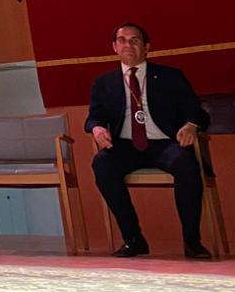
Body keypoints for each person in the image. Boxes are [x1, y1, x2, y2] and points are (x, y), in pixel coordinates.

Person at [86, 23, 212, 259]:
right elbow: (94, 117)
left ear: (147, 47)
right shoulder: (103, 83)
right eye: (122, 40)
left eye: (134, 40)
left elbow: (197, 112)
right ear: (114, 47)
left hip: (164, 143)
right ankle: (133, 239)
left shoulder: (170, 77)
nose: (128, 45)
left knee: (186, 163)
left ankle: (192, 241)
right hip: (125, 145)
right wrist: (98, 129)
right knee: (102, 163)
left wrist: (191, 126)